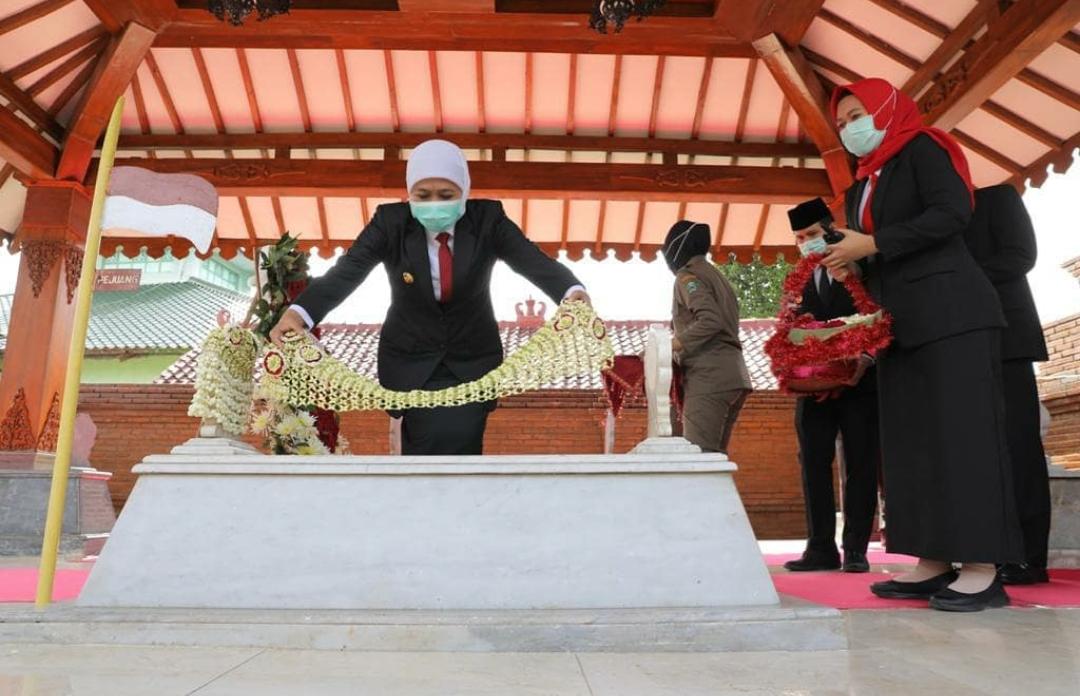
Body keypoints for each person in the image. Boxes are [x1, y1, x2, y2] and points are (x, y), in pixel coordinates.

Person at [821, 78, 1023, 611]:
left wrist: (877, 242)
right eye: (841, 123)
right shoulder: (863, 181)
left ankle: (982, 565)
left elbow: (952, 213)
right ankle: (934, 560)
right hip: (901, 326)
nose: (849, 129)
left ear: (887, 108)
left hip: (953, 315)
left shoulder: (923, 147)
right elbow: (874, 246)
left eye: (857, 114)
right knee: (915, 447)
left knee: (964, 441)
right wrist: (852, 258)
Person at [270, 139, 589, 455]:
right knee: (421, 450)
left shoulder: (488, 221)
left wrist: (572, 292)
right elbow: (346, 272)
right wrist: (299, 315)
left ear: (464, 191)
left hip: (471, 364)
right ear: (409, 193)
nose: (434, 203)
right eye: (423, 196)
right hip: (411, 361)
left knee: (461, 438)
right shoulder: (389, 224)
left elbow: (533, 261)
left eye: (446, 195)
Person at [782, 198, 880, 574]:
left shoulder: (865, 268)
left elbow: (880, 317)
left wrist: (865, 360)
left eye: (811, 234)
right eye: (799, 238)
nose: (805, 243)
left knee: (861, 463)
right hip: (813, 387)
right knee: (812, 464)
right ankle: (820, 548)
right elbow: (790, 328)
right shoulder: (799, 278)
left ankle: (856, 548)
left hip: (861, 383)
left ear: (831, 231)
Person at [964, 184, 1051, 585]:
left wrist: (954, 279)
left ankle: (1029, 557)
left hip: (1007, 340)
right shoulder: (929, 220)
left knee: (1019, 449)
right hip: (957, 346)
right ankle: (985, 551)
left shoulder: (997, 198)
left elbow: (1020, 256)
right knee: (973, 454)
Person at [661, 220, 752, 454]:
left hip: (709, 375)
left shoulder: (687, 276)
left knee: (697, 459)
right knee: (714, 459)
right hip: (731, 375)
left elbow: (710, 320)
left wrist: (669, 346)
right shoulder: (716, 276)